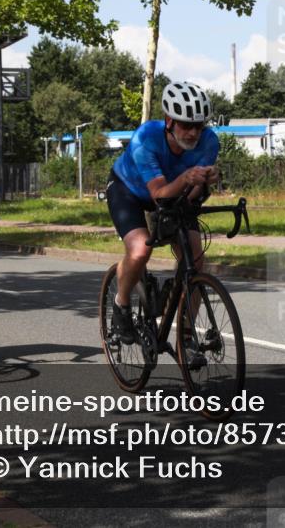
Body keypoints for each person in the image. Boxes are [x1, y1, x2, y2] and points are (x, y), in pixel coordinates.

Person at [105, 82, 220, 364]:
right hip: (129, 191)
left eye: (199, 126)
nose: (193, 133)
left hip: (173, 196)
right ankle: (121, 304)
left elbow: (190, 194)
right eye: (186, 125)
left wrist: (203, 184)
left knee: (195, 258)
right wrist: (187, 178)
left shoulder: (210, 141)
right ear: (169, 121)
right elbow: (158, 193)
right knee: (140, 250)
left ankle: (186, 337)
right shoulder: (146, 137)